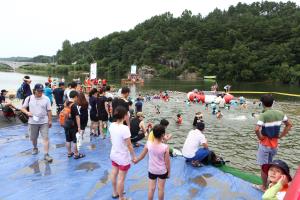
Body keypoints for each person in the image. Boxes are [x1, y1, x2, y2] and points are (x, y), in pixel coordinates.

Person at [254, 94, 292, 191]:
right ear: (272, 103)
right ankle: (271, 184)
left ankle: (263, 186)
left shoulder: (263, 115)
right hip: (274, 144)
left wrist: (261, 137)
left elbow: (257, 129)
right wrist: (281, 135)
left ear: (262, 104)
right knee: (270, 165)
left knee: (263, 166)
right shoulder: (280, 113)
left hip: (265, 144)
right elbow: (289, 124)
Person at [134, 124, 170, 200]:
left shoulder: (148, 144)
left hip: (152, 170)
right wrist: (168, 172)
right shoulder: (165, 147)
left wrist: (136, 160)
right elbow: (167, 162)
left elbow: (142, 155)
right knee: (161, 189)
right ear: (163, 135)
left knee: (151, 189)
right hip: (162, 171)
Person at [20, 83, 53, 162]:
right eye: (39, 91)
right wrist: (27, 113)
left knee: (45, 138)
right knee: (33, 138)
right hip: (32, 122)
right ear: (34, 90)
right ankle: (35, 148)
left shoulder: (46, 99)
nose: (40, 93)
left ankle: (46, 154)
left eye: (42, 91)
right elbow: (22, 108)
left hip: (44, 122)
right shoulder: (29, 98)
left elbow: (49, 110)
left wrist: (50, 120)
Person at [109, 106, 137, 200]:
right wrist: (133, 156)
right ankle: (121, 197)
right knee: (121, 178)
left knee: (114, 173)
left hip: (114, 154)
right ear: (125, 116)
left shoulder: (112, 125)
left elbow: (111, 139)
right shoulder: (124, 128)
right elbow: (129, 145)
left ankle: (115, 192)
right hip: (122, 157)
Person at [64, 90, 85, 159]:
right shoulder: (74, 105)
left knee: (68, 139)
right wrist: (79, 127)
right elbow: (77, 117)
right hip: (73, 125)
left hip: (66, 124)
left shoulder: (66, 103)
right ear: (75, 97)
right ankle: (76, 154)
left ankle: (69, 153)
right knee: (74, 140)